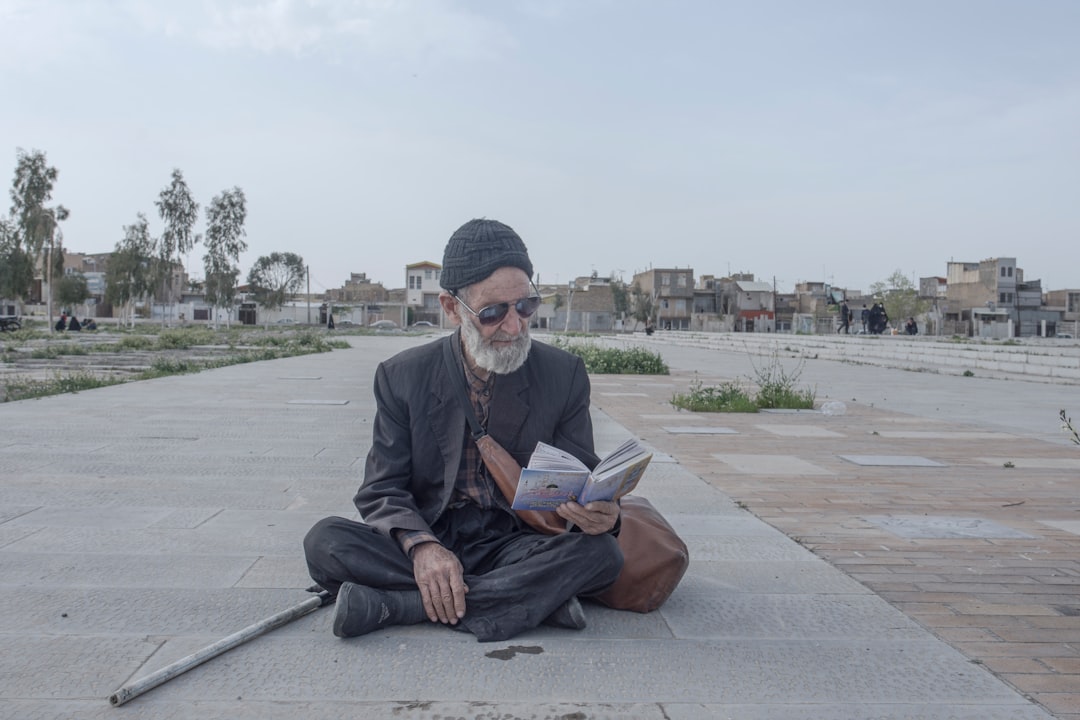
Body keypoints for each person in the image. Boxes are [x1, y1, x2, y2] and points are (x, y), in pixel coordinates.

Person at [304, 218, 623, 643]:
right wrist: (423, 548)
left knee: (601, 555)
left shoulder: (563, 375)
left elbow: (580, 476)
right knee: (325, 543)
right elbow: (383, 489)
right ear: (452, 308)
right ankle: (529, 600)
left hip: (516, 541)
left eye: (525, 306)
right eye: (493, 313)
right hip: (432, 530)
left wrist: (603, 514)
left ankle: (404, 605)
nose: (515, 327)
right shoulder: (402, 376)